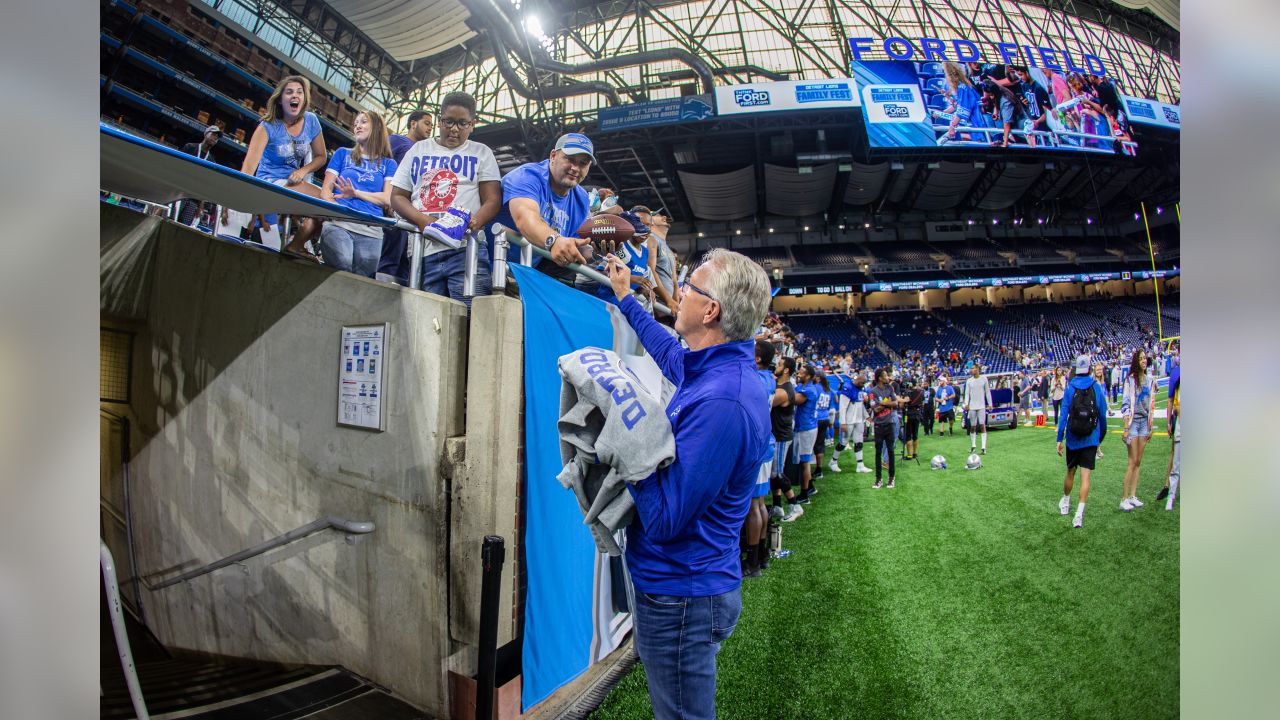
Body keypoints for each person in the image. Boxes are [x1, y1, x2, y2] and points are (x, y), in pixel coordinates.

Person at [602, 248, 772, 720]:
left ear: (710, 310)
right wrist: (626, 299)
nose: (677, 294)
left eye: (689, 289)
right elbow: (668, 351)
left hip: (682, 594)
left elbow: (664, 518)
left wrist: (626, 436)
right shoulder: (715, 367)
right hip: (684, 586)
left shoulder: (723, 400)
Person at [389, 91, 501, 306]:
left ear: (472, 124)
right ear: (440, 120)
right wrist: (425, 222)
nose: (454, 129)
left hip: (466, 250)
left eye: (462, 123)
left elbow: (492, 200)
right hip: (424, 250)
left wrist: (473, 222)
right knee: (427, 324)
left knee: (470, 320)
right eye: (449, 122)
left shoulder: (481, 152)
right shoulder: (418, 150)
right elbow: (397, 196)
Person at [490, 133, 597, 286]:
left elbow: (572, 246)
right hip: (487, 267)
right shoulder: (527, 176)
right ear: (553, 156)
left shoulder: (581, 199)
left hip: (524, 276)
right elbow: (525, 218)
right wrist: (554, 241)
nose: (575, 168)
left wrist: (599, 252)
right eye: (570, 159)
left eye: (583, 163)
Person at [240, 75, 327, 258]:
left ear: (304, 98)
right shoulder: (267, 126)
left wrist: (303, 171)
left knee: (326, 205)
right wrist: (242, 201)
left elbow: (321, 156)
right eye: (289, 92)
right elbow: (248, 168)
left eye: (299, 92)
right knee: (324, 200)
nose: (295, 96)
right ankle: (295, 245)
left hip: (294, 179)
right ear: (280, 99)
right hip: (270, 181)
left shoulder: (311, 121)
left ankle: (297, 245)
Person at [318, 110, 397, 277]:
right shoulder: (342, 154)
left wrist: (355, 193)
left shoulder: (389, 164)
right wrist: (335, 212)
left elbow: (387, 198)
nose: (357, 126)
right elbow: (326, 191)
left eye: (363, 122)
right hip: (339, 224)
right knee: (343, 263)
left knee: (362, 282)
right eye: (356, 124)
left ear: (376, 127)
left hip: (371, 230)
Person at [378, 110, 433, 285]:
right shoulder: (397, 140)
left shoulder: (426, 151)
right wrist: (387, 196)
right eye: (427, 123)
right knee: (391, 254)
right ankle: (380, 288)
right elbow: (379, 164)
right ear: (413, 123)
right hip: (394, 205)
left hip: (413, 210)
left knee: (407, 257)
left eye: (432, 125)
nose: (430, 128)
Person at [740, 339, 778, 578]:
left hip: (758, 447)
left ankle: (752, 562)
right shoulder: (769, 378)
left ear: (758, 359)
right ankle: (761, 555)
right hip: (767, 443)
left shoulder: (756, 380)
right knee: (760, 504)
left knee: (755, 506)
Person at [1057, 354, 1108, 528]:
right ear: (1090, 368)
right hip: (1090, 438)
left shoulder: (1070, 388)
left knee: (1070, 472)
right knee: (1086, 477)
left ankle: (1065, 502)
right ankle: (1078, 514)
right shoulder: (1096, 387)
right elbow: (1102, 414)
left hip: (1073, 438)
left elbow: (1064, 414)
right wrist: (1099, 437)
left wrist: (1059, 439)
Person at [1119, 349, 1156, 511]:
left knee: (1138, 461)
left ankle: (1133, 496)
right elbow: (1126, 403)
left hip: (1144, 423)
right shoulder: (1130, 380)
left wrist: (1151, 425)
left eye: (1145, 358)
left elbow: (1151, 405)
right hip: (1133, 423)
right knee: (1132, 461)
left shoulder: (1149, 380)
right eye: (1140, 359)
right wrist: (1126, 427)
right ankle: (1123, 498)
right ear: (1136, 361)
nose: (1143, 361)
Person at [769, 356, 803, 522]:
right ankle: (777, 506)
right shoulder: (781, 385)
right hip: (776, 434)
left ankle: (795, 505)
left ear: (787, 370)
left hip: (781, 436)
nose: (777, 365)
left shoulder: (784, 391)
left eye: (780, 364)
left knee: (777, 473)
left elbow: (765, 402)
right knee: (772, 473)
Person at [178, 125, 224, 227]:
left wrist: (201, 206)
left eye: (217, 137)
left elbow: (205, 184)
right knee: (169, 218)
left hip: (193, 200)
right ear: (205, 134)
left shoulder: (211, 160)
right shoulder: (190, 147)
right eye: (213, 134)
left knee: (183, 226)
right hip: (178, 194)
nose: (215, 138)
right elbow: (177, 168)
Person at [789, 365, 821, 503]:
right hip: (805, 426)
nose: (798, 374)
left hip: (806, 428)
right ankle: (810, 487)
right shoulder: (805, 387)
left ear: (808, 376)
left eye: (801, 373)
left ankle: (804, 495)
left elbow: (793, 399)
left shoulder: (809, 390)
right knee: (802, 460)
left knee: (805, 462)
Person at [837, 371, 873, 473]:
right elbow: (842, 407)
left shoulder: (861, 389)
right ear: (856, 380)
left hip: (858, 419)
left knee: (859, 442)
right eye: (861, 382)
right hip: (849, 420)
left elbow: (860, 405)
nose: (863, 385)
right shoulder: (847, 387)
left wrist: (866, 416)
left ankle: (860, 465)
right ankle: (833, 461)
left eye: (864, 383)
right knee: (843, 442)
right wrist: (842, 422)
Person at [868, 368, 897, 489]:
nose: (888, 377)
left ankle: (891, 478)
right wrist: (887, 403)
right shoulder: (872, 391)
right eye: (885, 375)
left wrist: (882, 404)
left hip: (889, 424)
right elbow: (874, 409)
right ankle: (878, 479)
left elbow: (895, 403)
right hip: (879, 425)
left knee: (890, 451)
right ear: (880, 378)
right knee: (878, 453)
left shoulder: (890, 388)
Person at [1158, 364, 1180, 509]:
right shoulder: (1177, 374)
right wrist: (1168, 422)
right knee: (1176, 459)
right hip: (1180, 422)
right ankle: (1170, 493)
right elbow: (1171, 400)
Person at [963, 364, 992, 454]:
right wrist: (966, 404)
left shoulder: (984, 379)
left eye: (973, 368)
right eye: (971, 368)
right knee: (972, 427)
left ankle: (983, 447)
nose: (972, 370)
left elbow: (987, 392)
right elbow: (967, 393)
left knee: (982, 425)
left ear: (978, 369)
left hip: (981, 406)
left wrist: (990, 403)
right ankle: (973, 446)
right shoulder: (969, 381)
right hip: (972, 406)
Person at [902, 378, 923, 461]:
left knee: (908, 435)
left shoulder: (907, 392)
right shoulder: (921, 392)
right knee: (915, 434)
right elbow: (922, 403)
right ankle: (915, 453)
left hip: (908, 414)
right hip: (917, 414)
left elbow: (903, 405)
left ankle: (909, 455)